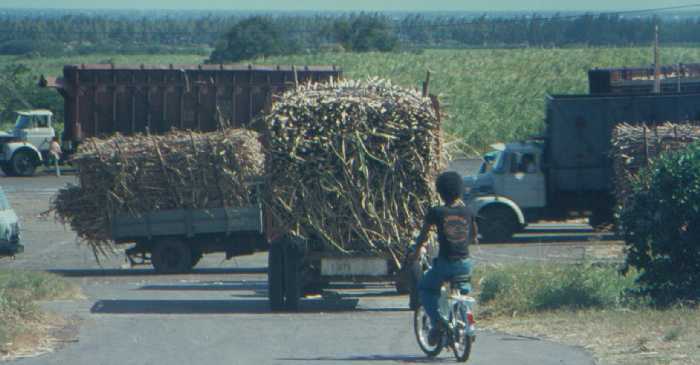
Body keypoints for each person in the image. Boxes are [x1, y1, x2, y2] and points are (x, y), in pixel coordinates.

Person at [412, 171, 477, 345]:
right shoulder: (468, 211)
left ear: (440, 192)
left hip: (445, 264)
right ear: (460, 191)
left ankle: (438, 322)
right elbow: (474, 236)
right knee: (463, 289)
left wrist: (416, 251)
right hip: (465, 264)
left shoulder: (436, 212)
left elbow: (423, 236)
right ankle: (464, 316)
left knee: (426, 288)